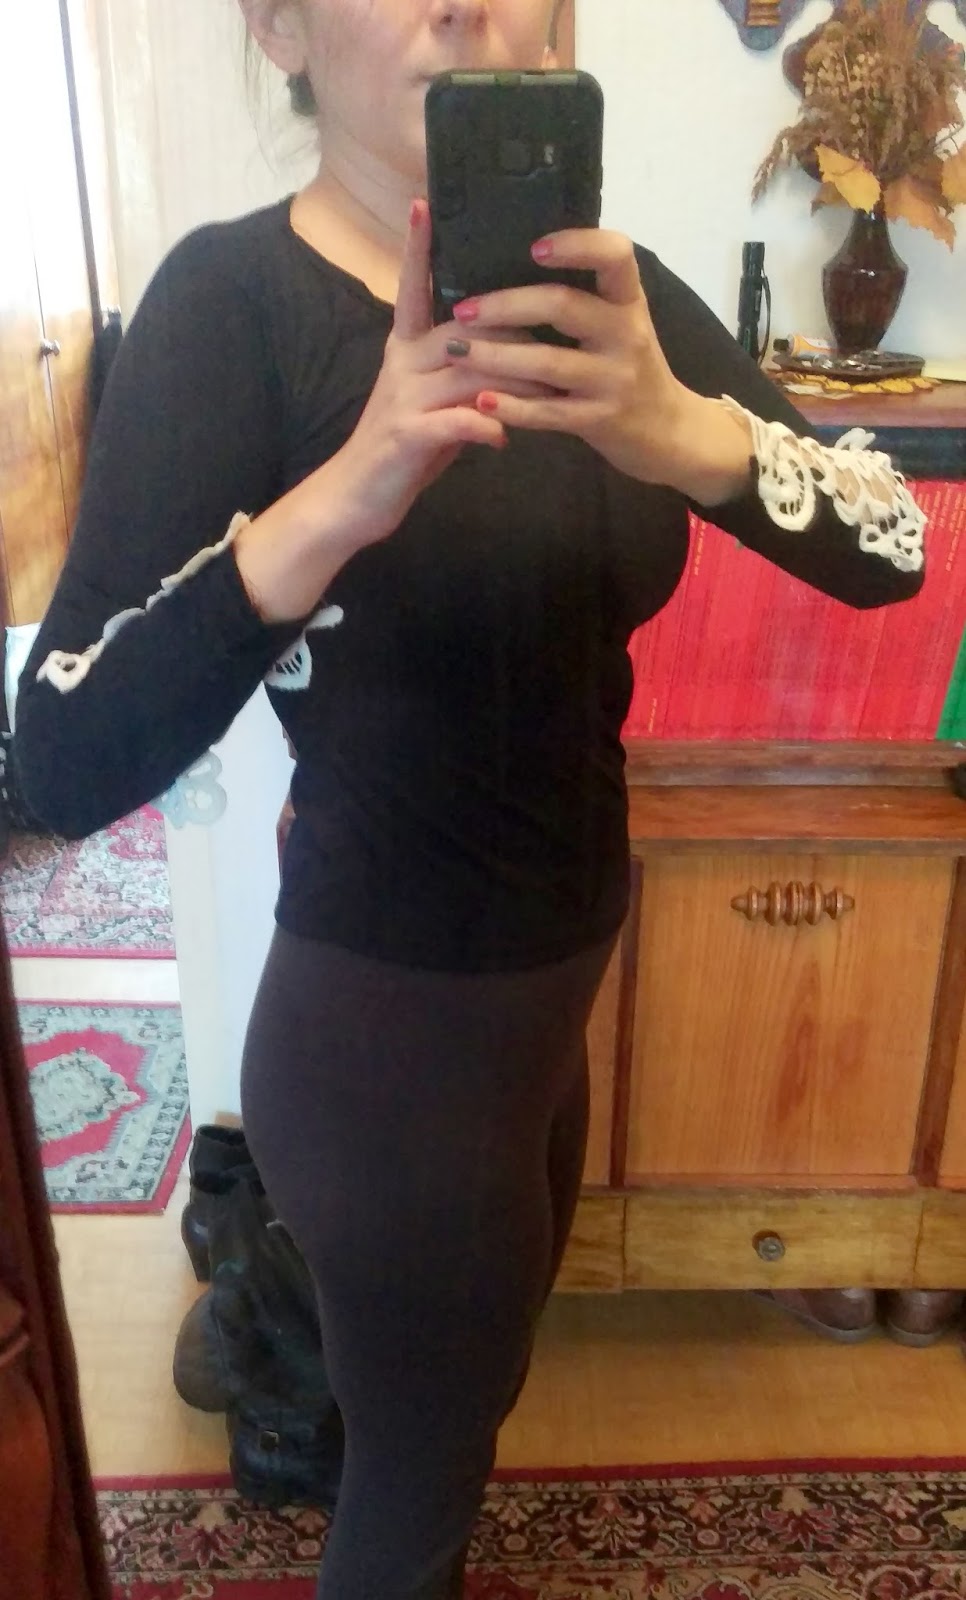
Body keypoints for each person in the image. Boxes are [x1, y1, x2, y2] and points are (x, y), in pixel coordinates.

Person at [14, 1, 927, 1595]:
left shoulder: (610, 302)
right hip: (385, 1040)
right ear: (281, 30)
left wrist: (681, 430)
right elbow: (63, 755)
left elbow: (890, 545)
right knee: (414, 1491)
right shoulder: (234, 303)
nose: (463, 0)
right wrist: (349, 490)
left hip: (548, 1006)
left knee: (466, 1404)